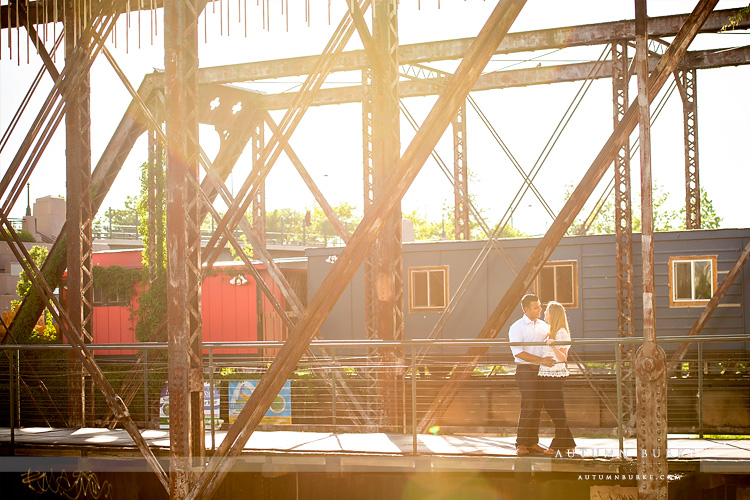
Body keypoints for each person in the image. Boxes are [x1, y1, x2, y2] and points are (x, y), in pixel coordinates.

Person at [509, 293, 556, 456]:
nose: (540, 309)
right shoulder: (516, 327)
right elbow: (518, 353)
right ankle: (520, 443)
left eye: (540, 306)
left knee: (537, 407)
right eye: (536, 307)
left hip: (541, 372)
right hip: (526, 371)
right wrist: (541, 360)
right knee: (528, 406)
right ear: (526, 309)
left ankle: (532, 442)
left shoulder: (543, 326)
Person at [538, 301, 577, 455]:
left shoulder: (561, 332)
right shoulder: (552, 331)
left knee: (556, 410)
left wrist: (553, 346)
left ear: (553, 314)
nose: (544, 313)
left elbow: (563, 358)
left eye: (547, 311)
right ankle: (569, 443)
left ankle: (557, 445)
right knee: (551, 407)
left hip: (555, 375)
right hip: (548, 375)